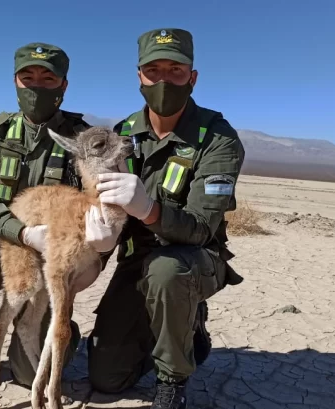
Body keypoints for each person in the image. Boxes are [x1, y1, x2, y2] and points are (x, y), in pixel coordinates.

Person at [0, 42, 112, 393]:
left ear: (64, 85)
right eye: (28, 77)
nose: (37, 86)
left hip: (53, 254)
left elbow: (103, 202)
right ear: (15, 82)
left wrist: (100, 255)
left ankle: (56, 333)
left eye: (48, 77)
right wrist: (21, 232)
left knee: (32, 376)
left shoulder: (84, 139)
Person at [85, 28, 246, 408]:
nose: (163, 79)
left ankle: (172, 378)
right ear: (139, 76)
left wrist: (149, 210)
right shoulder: (123, 133)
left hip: (193, 259)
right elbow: (104, 206)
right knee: (108, 379)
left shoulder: (217, 138)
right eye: (153, 69)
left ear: (193, 77)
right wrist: (97, 250)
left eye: (175, 70)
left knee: (166, 272)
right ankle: (169, 328)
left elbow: (203, 227)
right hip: (137, 258)